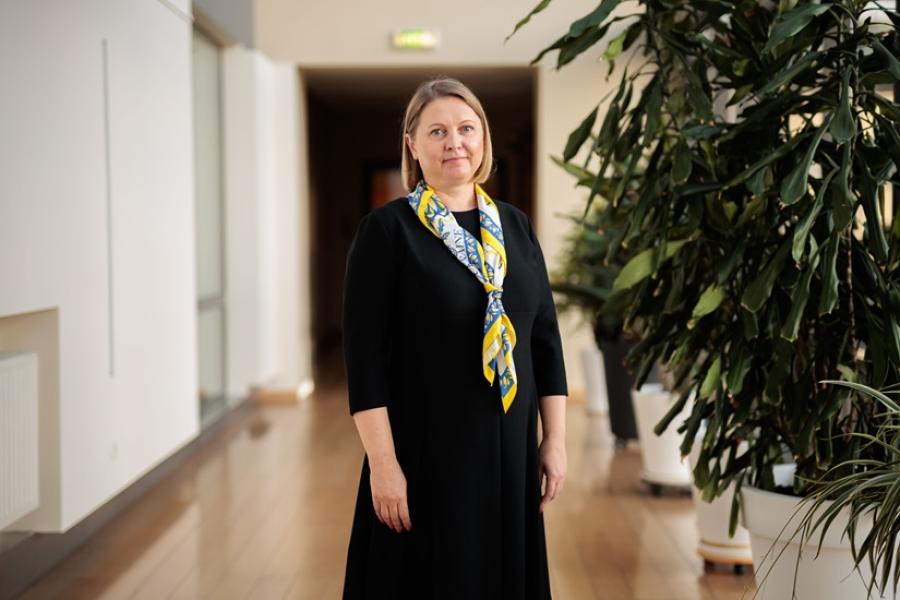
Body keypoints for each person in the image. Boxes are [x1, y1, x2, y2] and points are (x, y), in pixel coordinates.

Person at [341, 77, 568, 599]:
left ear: (483, 138)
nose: (454, 143)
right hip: (427, 457)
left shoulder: (516, 227)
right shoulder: (387, 232)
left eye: (467, 128)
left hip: (511, 454)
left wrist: (554, 440)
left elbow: (545, 342)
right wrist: (384, 466)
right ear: (412, 145)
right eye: (437, 132)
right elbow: (364, 362)